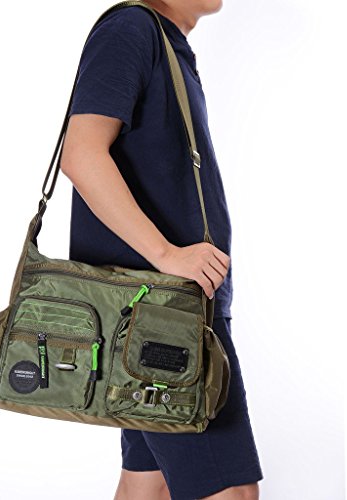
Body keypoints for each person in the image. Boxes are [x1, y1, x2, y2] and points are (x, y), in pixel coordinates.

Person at [60, 1, 264, 498]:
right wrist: (168, 255)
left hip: (153, 316)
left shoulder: (163, 43)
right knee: (230, 491)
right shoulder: (131, 29)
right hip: (163, 320)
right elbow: (81, 152)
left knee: (146, 484)